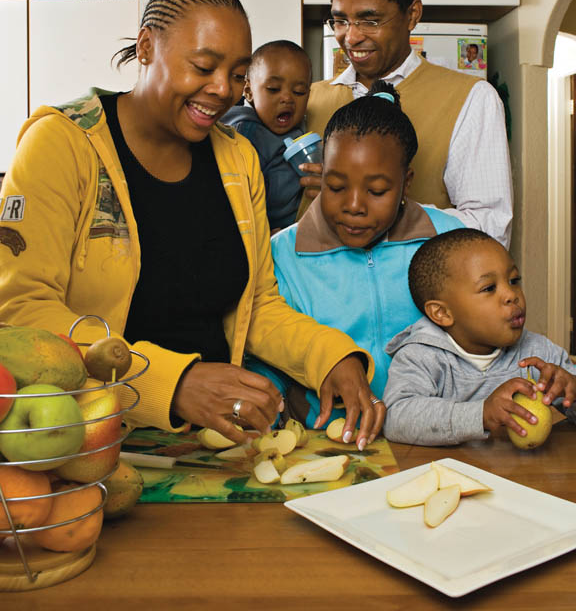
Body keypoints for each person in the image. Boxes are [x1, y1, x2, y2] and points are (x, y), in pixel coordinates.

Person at [0, 0, 382, 450]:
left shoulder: (237, 158)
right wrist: (173, 384)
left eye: (239, 74)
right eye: (203, 66)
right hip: (86, 443)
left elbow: (257, 303)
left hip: (213, 444)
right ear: (145, 47)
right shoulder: (62, 144)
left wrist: (330, 356)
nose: (223, 89)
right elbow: (22, 311)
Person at [246, 81, 463, 448]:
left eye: (377, 191)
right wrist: (266, 402)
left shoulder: (451, 240)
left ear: (405, 183)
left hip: (438, 440)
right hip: (326, 444)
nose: (355, 206)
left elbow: (489, 329)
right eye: (335, 187)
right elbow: (269, 353)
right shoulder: (282, 254)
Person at [299, 0, 513, 248]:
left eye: (369, 20)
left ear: (412, 14)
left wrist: (373, 200)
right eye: (340, 20)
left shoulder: (472, 99)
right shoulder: (307, 100)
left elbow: (490, 231)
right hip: (314, 294)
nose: (351, 36)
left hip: (414, 295)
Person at [383, 228, 576, 446]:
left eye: (514, 280)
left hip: (520, 476)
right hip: (449, 476)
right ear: (442, 313)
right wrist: (482, 414)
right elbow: (396, 417)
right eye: (489, 288)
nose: (512, 295)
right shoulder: (421, 356)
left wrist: (573, 390)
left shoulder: (540, 353)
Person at [221, 40, 311, 232]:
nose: (287, 98)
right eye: (273, 89)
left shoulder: (302, 129)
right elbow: (234, 197)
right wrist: (260, 234)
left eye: (299, 92)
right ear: (248, 91)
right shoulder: (246, 133)